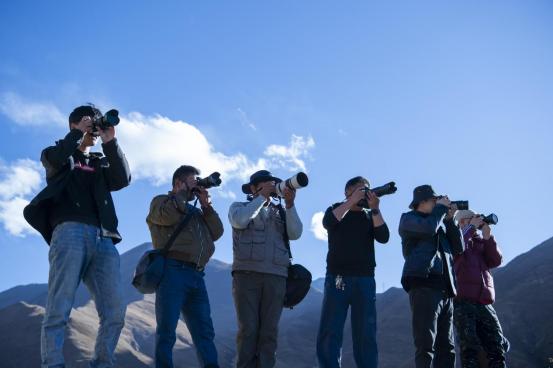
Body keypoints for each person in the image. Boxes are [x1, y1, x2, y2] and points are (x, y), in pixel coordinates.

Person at [23, 105, 131, 367]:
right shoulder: (56, 154)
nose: (93, 129)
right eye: (89, 123)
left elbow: (123, 179)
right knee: (59, 307)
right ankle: (53, 364)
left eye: (95, 124)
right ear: (74, 124)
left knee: (115, 312)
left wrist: (111, 141)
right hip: (69, 232)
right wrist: (77, 135)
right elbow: (57, 159)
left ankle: (102, 363)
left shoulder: (99, 162)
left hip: (104, 239)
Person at [146, 165, 224, 367]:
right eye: (193, 181)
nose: (197, 185)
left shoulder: (196, 212)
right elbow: (166, 217)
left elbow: (217, 232)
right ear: (178, 183)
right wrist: (180, 194)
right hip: (172, 271)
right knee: (167, 331)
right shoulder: (161, 202)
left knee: (205, 333)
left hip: (197, 276)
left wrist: (206, 206)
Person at [228, 170, 303, 367]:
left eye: (273, 184)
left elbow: (295, 233)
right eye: (265, 184)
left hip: (277, 277)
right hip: (246, 276)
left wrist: (290, 204)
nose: (271, 187)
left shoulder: (281, 212)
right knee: (248, 330)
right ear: (253, 188)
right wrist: (262, 197)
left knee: (269, 332)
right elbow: (239, 221)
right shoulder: (239, 207)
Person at [316, 176, 390, 368]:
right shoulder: (337, 209)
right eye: (359, 190)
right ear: (347, 192)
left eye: (366, 189)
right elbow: (328, 222)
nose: (364, 193)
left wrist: (375, 208)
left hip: (365, 279)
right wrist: (351, 201)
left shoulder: (369, 215)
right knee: (331, 330)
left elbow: (384, 237)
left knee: (366, 332)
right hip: (337, 277)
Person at [399, 185, 464, 368]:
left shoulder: (439, 226)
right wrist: (441, 209)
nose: (438, 204)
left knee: (447, 347)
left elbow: (458, 248)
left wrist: (450, 221)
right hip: (424, 287)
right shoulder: (409, 219)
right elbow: (428, 229)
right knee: (426, 344)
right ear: (423, 201)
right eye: (435, 201)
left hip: (446, 291)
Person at [453, 210, 507, 367]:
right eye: (470, 220)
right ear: (462, 222)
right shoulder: (457, 239)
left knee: (497, 345)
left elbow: (496, 260)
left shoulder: (481, 242)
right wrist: (470, 227)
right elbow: (457, 246)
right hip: (463, 301)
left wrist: (488, 236)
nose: (475, 223)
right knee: (470, 347)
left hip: (485, 302)